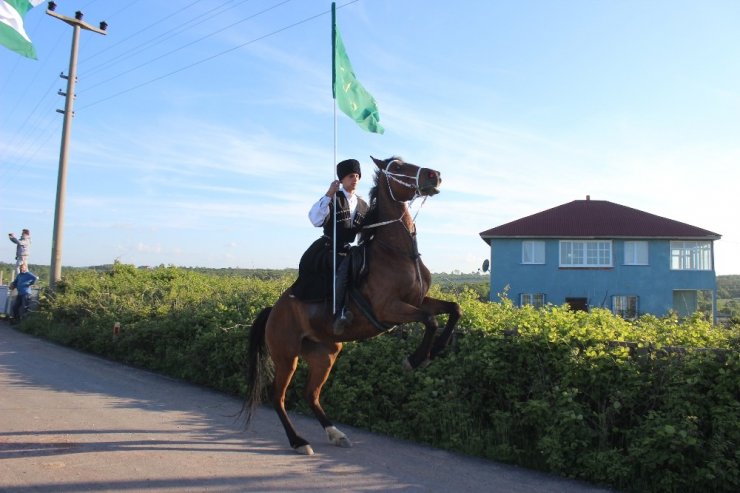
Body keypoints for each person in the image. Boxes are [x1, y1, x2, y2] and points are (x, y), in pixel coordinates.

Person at [291, 159, 369, 334]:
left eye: (357, 176)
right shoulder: (333, 198)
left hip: (349, 248)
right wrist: (328, 195)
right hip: (328, 247)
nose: (355, 179)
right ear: (342, 179)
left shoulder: (364, 205)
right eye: (350, 176)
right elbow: (315, 219)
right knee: (343, 266)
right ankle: (339, 312)